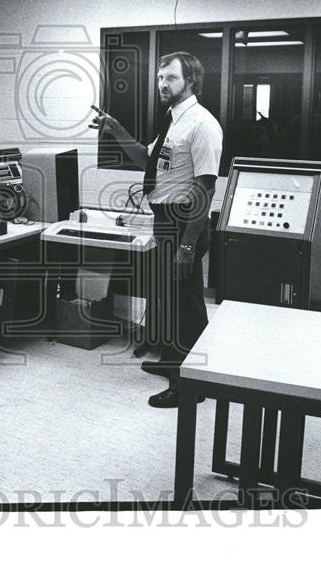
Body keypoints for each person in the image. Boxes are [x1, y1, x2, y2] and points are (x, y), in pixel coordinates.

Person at [90, 52, 223, 408]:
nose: (163, 84)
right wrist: (116, 130)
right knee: (173, 298)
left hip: (185, 224)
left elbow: (205, 189)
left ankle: (190, 385)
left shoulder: (201, 124)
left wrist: (187, 247)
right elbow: (146, 161)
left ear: (190, 81)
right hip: (167, 220)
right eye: (161, 78)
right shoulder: (173, 122)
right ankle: (173, 361)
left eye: (171, 78)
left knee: (187, 303)